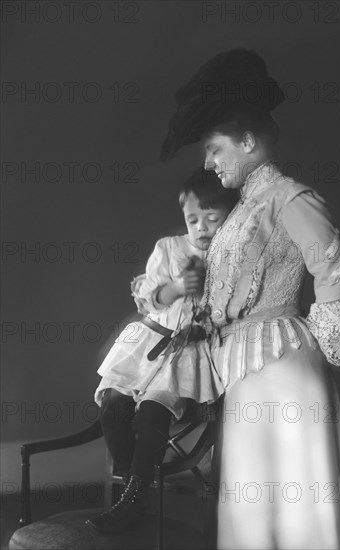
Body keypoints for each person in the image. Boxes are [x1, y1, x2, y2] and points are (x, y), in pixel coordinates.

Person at [161, 49, 340, 550]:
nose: (207, 161)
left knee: (294, 493)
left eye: (214, 148)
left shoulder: (289, 198)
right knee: (253, 495)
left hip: (283, 366)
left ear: (248, 140)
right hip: (246, 368)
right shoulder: (238, 210)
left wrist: (327, 341)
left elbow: (333, 268)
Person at [86, 168, 239, 535]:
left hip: (188, 352)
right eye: (193, 220)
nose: (201, 228)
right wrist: (175, 287)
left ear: (230, 219)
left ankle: (133, 499)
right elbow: (149, 299)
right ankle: (131, 494)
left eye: (212, 219)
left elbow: (231, 308)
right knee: (114, 403)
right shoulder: (169, 248)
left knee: (154, 411)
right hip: (150, 342)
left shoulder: (232, 255)